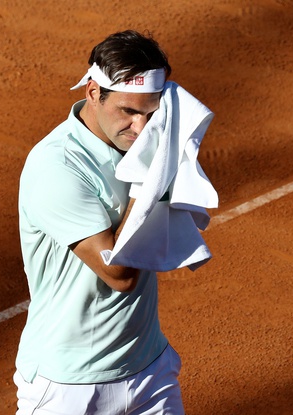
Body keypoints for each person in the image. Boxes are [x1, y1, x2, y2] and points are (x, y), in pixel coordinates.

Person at [13, 30, 185, 414]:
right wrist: (147, 184)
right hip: (69, 387)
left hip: (148, 369)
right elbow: (120, 274)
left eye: (151, 113)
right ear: (93, 92)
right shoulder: (56, 167)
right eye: (128, 111)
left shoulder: (150, 143)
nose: (141, 128)